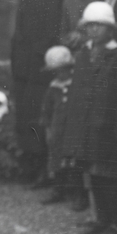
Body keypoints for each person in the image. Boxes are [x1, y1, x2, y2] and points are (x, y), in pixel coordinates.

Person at [58, 1, 117, 234]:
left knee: (109, 175)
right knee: (92, 174)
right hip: (86, 126)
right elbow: (76, 92)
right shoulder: (83, 54)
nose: (94, 30)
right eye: (90, 25)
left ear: (110, 29)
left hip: (108, 127)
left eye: (99, 26)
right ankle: (101, 218)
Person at [9, 0, 75, 186]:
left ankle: (48, 170)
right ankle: (31, 164)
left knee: (43, 112)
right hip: (24, 56)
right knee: (26, 111)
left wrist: (55, 50)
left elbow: (65, 16)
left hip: (47, 56)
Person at [39, 46, 82, 209]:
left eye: (64, 70)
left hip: (73, 130)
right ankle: (58, 190)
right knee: (56, 160)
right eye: (57, 71)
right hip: (57, 131)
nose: (61, 74)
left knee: (74, 161)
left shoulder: (76, 85)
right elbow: (46, 111)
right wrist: (48, 130)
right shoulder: (53, 88)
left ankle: (78, 194)